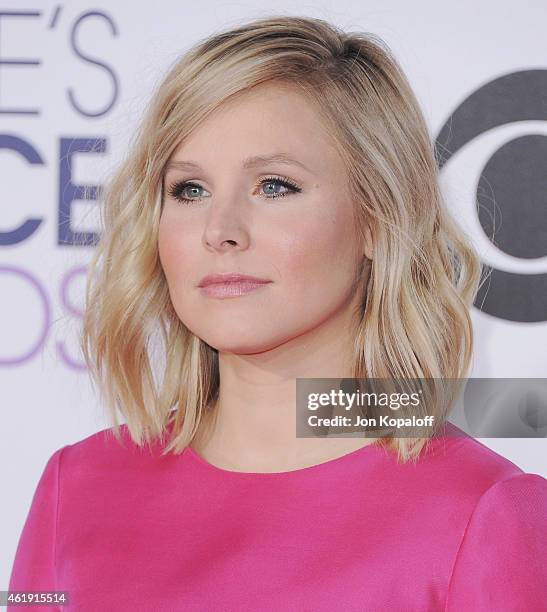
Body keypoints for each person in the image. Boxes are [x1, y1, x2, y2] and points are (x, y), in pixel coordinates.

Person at [8, 14, 547, 611]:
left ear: (377, 216)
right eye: (189, 190)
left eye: (274, 186)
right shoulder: (75, 489)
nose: (221, 231)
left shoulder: (484, 515)